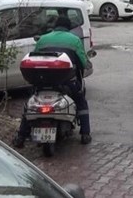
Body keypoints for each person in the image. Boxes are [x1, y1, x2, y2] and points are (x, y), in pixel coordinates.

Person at [13, 16, 92, 147]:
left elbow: (35, 58)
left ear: (55, 26)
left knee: (30, 106)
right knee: (81, 102)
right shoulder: (74, 40)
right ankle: (85, 134)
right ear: (68, 28)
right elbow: (83, 62)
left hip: (41, 82)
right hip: (66, 83)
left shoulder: (43, 39)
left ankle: (21, 136)